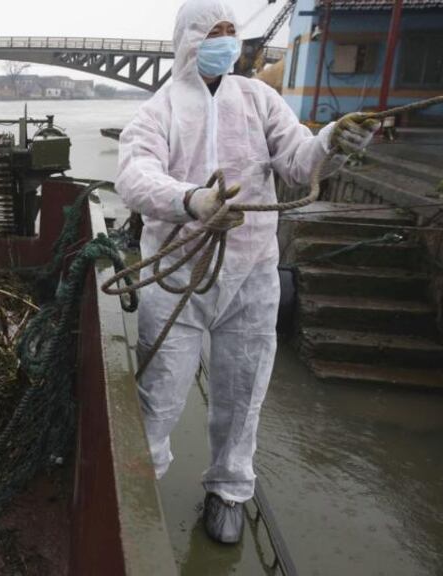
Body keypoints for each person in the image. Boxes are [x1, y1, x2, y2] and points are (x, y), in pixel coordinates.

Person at [116, 0, 378, 544]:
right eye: (215, 31)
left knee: (244, 388)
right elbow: (136, 177)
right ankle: (140, 483)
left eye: (232, 31)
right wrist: (192, 200)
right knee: (160, 389)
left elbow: (300, 162)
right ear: (188, 39)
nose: (226, 40)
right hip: (178, 275)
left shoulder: (261, 99)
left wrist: (332, 137)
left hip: (254, 272)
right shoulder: (158, 110)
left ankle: (229, 488)